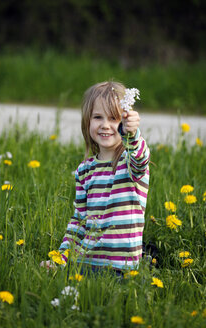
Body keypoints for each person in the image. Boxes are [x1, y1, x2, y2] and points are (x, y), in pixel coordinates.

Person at [42, 81, 150, 274]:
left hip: (122, 268)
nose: (105, 125)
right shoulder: (84, 170)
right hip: (85, 264)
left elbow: (141, 159)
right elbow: (79, 221)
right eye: (98, 117)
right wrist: (61, 259)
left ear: (125, 123)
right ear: (87, 121)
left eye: (114, 118)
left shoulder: (130, 163)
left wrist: (132, 135)